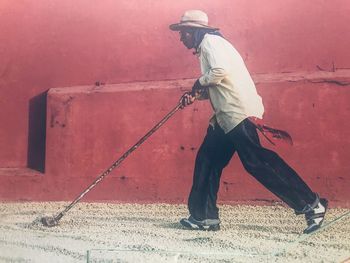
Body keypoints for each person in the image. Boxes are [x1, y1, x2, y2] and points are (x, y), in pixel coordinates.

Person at [169, 10, 327, 234]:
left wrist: (198, 83)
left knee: (257, 162)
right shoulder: (209, 45)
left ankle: (312, 205)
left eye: (182, 32)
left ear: (194, 30)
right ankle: (203, 217)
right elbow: (219, 82)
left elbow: (220, 72)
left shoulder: (210, 42)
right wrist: (197, 94)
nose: (180, 37)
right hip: (225, 116)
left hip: (238, 113)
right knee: (207, 160)